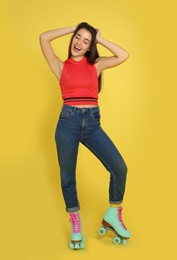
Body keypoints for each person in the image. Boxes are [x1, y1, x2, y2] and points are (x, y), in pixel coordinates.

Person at [39, 22, 130, 249]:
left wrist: (99, 39)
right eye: (77, 38)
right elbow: (43, 37)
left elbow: (123, 55)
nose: (79, 43)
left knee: (119, 168)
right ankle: (75, 220)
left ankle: (112, 213)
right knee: (68, 176)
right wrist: (73, 28)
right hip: (67, 124)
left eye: (85, 41)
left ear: (91, 47)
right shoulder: (60, 66)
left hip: (92, 125)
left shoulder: (96, 65)